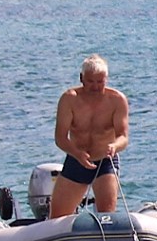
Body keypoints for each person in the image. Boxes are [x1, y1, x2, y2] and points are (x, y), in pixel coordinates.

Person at [49, 54, 130, 218]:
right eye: (91, 81)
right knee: (57, 217)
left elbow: (123, 137)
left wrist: (114, 146)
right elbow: (60, 138)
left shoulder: (117, 100)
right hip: (76, 159)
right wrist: (77, 153)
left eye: (100, 82)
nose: (95, 86)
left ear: (106, 79)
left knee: (107, 216)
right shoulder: (69, 99)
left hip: (105, 161)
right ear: (81, 78)